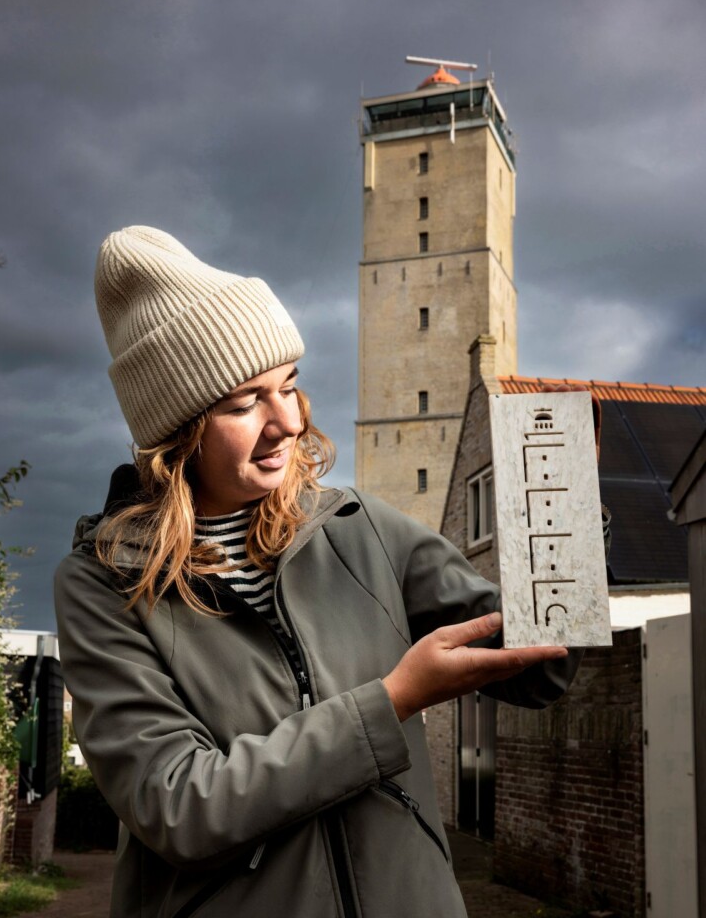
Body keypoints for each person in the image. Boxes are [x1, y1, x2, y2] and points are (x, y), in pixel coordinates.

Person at [55, 226, 580, 918]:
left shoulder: (361, 526)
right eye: (244, 402)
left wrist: (568, 527)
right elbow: (179, 806)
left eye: (290, 385)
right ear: (176, 431)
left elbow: (544, 667)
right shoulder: (102, 586)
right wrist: (393, 702)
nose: (287, 422)